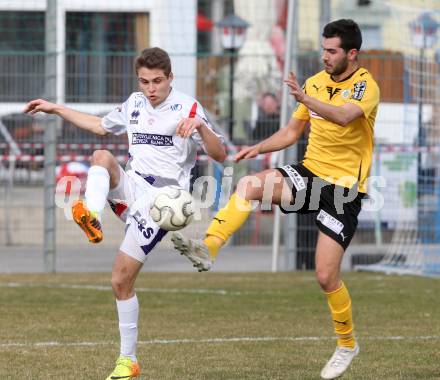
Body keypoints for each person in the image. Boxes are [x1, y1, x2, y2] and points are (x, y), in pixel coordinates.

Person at [171, 19, 379, 379]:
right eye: (323, 49)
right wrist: (259, 148)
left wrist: (305, 98)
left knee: (326, 277)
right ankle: (209, 247)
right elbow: (291, 131)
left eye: (332, 51)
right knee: (251, 185)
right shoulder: (314, 82)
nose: (325, 56)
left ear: (352, 53)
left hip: (345, 190)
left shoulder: (365, 86)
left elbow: (345, 117)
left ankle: (347, 344)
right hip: (310, 172)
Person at [24, 47, 226, 380]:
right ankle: (90, 214)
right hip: (132, 186)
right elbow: (100, 126)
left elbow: (219, 155)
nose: (151, 88)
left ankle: (128, 361)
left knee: (120, 280)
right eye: (145, 81)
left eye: (157, 81)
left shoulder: (188, 107)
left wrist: (201, 126)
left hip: (162, 203)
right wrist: (56, 108)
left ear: (170, 78)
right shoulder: (134, 103)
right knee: (102, 155)